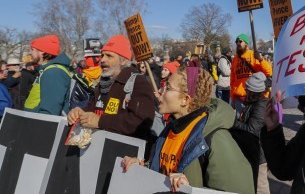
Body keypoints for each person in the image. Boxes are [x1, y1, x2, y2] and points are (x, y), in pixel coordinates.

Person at [121, 66, 255, 193]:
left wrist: (190, 189)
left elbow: (237, 191)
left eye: (168, 87)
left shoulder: (216, 138)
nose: (160, 92)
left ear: (185, 99)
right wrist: (141, 168)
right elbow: (162, 171)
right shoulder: (170, 128)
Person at [67, 35, 156, 158]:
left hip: (124, 158)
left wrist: (100, 121)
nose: (102, 60)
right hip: (97, 153)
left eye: (109, 56)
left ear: (123, 60)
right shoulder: (102, 83)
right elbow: (92, 110)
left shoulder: (138, 83)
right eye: (102, 55)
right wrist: (79, 112)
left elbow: (141, 123)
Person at [233, 72, 269, 194]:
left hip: (258, 155)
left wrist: (232, 122)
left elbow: (252, 129)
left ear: (255, 92)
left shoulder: (261, 106)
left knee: (261, 187)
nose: (246, 92)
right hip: (250, 151)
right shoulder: (252, 103)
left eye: (248, 90)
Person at [24, 35, 72, 115]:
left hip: (40, 125)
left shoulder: (53, 72)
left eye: (32, 49)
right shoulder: (48, 70)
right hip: (33, 121)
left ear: (42, 51)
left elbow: (50, 111)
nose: (29, 52)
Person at [230, 33, 272, 116]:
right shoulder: (235, 59)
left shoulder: (254, 55)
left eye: (240, 41)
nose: (238, 43)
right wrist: (232, 98)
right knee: (240, 124)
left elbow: (269, 72)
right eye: (236, 42)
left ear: (246, 43)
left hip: (254, 98)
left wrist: (260, 59)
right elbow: (232, 79)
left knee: (253, 124)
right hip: (239, 98)